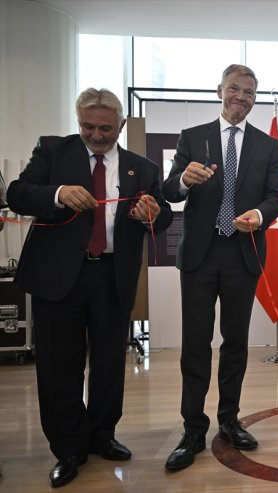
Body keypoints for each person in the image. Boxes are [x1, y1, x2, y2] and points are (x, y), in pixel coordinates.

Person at [7, 88, 173, 488]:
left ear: (121, 125)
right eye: (87, 126)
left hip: (112, 274)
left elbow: (163, 217)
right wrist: (58, 194)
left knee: (109, 362)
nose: (96, 135)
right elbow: (16, 193)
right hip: (59, 276)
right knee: (58, 365)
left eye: (104, 128)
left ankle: (103, 435)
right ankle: (68, 448)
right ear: (77, 120)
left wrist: (152, 213)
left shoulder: (143, 168)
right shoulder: (53, 151)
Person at [161, 64, 278, 471]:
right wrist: (183, 180)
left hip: (242, 254)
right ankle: (192, 428)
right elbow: (169, 190)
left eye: (249, 92)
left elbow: (276, 197)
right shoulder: (193, 137)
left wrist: (258, 214)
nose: (241, 97)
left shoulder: (266, 146)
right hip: (199, 255)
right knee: (195, 344)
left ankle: (229, 419)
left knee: (236, 343)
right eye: (235, 89)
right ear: (220, 91)